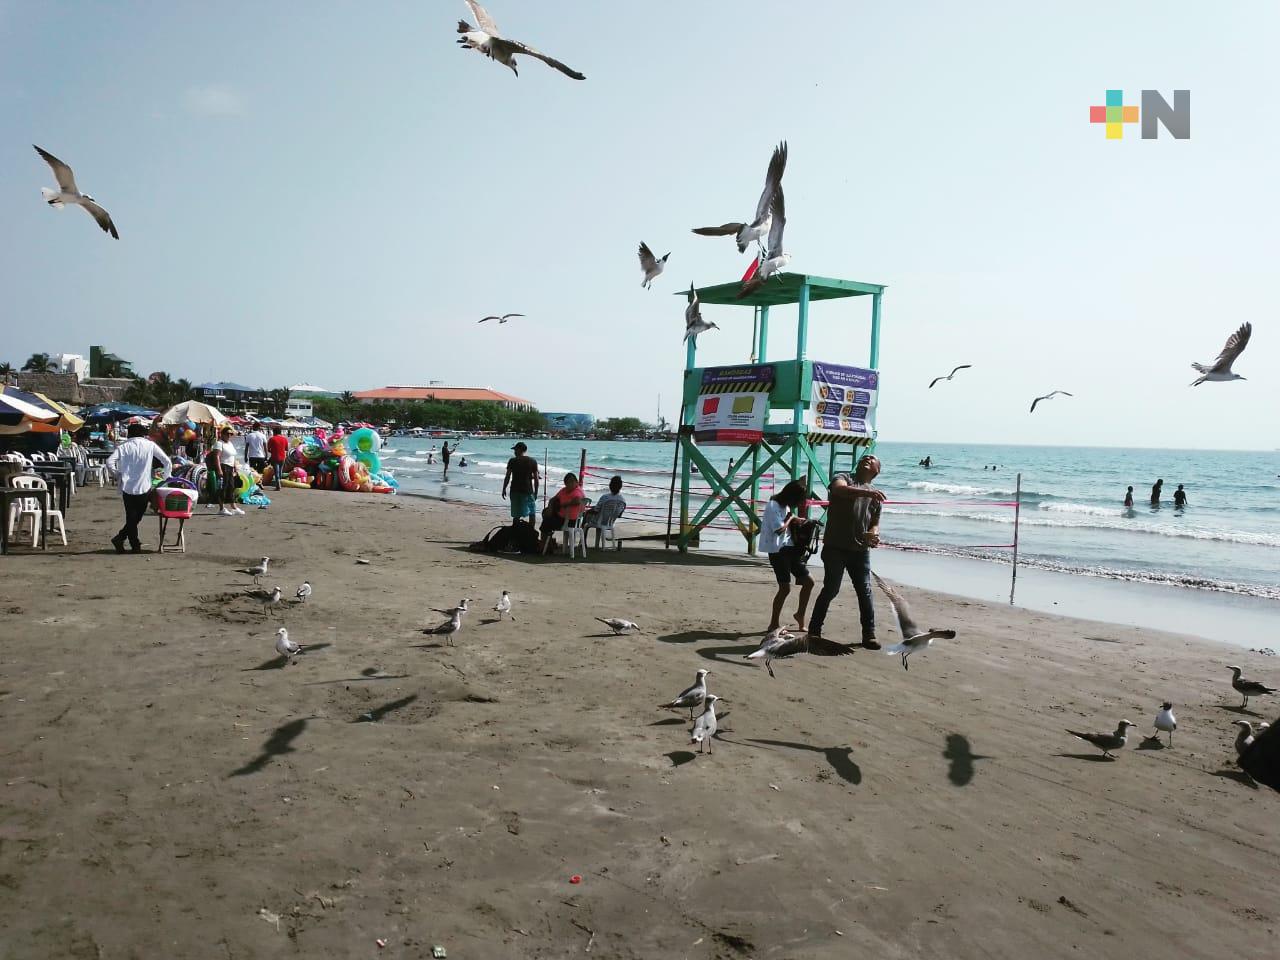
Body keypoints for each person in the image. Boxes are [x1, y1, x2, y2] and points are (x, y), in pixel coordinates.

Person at [806, 454, 889, 648]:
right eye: (864, 457)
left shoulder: (875, 496)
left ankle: (869, 635)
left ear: (877, 470)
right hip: (835, 546)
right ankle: (814, 631)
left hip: (859, 549)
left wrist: (873, 534)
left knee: (865, 591)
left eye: (872, 459)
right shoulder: (843, 477)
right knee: (831, 589)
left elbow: (874, 522)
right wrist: (868, 493)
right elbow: (839, 490)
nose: (867, 458)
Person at [105, 423, 171, 553]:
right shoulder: (150, 445)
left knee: (132, 517)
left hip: (127, 486)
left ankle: (125, 539)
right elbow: (166, 461)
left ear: (130, 434)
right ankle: (133, 543)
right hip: (144, 486)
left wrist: (117, 474)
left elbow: (109, 462)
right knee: (136, 517)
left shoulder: (123, 447)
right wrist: (165, 478)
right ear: (143, 434)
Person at [762, 479, 816, 633]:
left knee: (809, 582)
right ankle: (773, 624)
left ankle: (800, 615)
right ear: (791, 496)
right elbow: (778, 529)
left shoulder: (784, 506)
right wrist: (791, 517)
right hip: (778, 551)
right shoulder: (773, 505)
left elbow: (788, 523)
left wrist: (801, 521)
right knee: (785, 588)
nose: (798, 503)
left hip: (790, 549)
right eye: (798, 500)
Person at [540, 472, 588, 554]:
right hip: (561, 517)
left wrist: (563, 505)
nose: (569, 485)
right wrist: (551, 508)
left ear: (576, 482)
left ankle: (546, 546)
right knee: (546, 512)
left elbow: (577, 500)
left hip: (569, 521)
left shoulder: (577, 491)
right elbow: (552, 500)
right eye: (567, 483)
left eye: (571, 482)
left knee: (545, 523)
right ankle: (548, 542)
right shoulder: (564, 490)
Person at [502, 442, 541, 530]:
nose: (514, 452)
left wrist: (504, 488)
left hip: (515, 490)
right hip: (527, 491)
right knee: (532, 512)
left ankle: (515, 533)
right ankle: (531, 533)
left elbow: (507, 476)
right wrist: (536, 492)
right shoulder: (532, 461)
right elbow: (536, 479)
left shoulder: (512, 461)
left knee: (516, 514)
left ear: (520, 450)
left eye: (515, 449)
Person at [209, 426, 243, 517]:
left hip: (230, 467)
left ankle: (233, 507)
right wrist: (219, 470)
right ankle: (221, 508)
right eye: (227, 433)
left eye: (230, 434)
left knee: (231, 487)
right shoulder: (219, 443)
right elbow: (216, 457)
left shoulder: (230, 444)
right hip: (223, 466)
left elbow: (233, 456)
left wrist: (235, 467)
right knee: (223, 488)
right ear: (222, 434)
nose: (229, 435)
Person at [583, 475, 626, 546]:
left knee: (586, 518)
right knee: (598, 517)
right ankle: (596, 544)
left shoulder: (605, 497)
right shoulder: (622, 500)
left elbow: (596, 510)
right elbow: (619, 515)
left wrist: (588, 511)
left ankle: (583, 542)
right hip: (610, 523)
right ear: (620, 487)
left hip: (599, 521)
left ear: (610, 486)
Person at [266, 426, 289, 492]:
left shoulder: (272, 439)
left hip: (275, 457)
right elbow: (286, 449)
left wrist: (273, 451)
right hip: (283, 457)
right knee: (280, 471)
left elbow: (268, 449)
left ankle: (278, 485)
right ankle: (279, 482)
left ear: (274, 432)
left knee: (276, 471)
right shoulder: (285, 439)